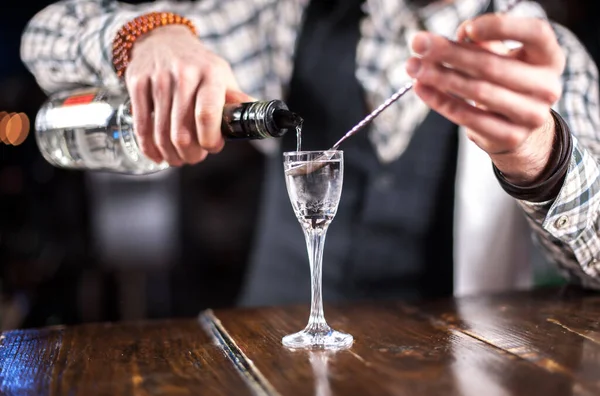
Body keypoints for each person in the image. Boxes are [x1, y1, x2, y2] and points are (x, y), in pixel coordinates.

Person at [20, 0, 600, 307]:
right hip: (265, 359)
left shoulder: (547, 60)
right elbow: (43, 33)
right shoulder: (288, 11)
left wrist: (540, 156)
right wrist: (149, 34)